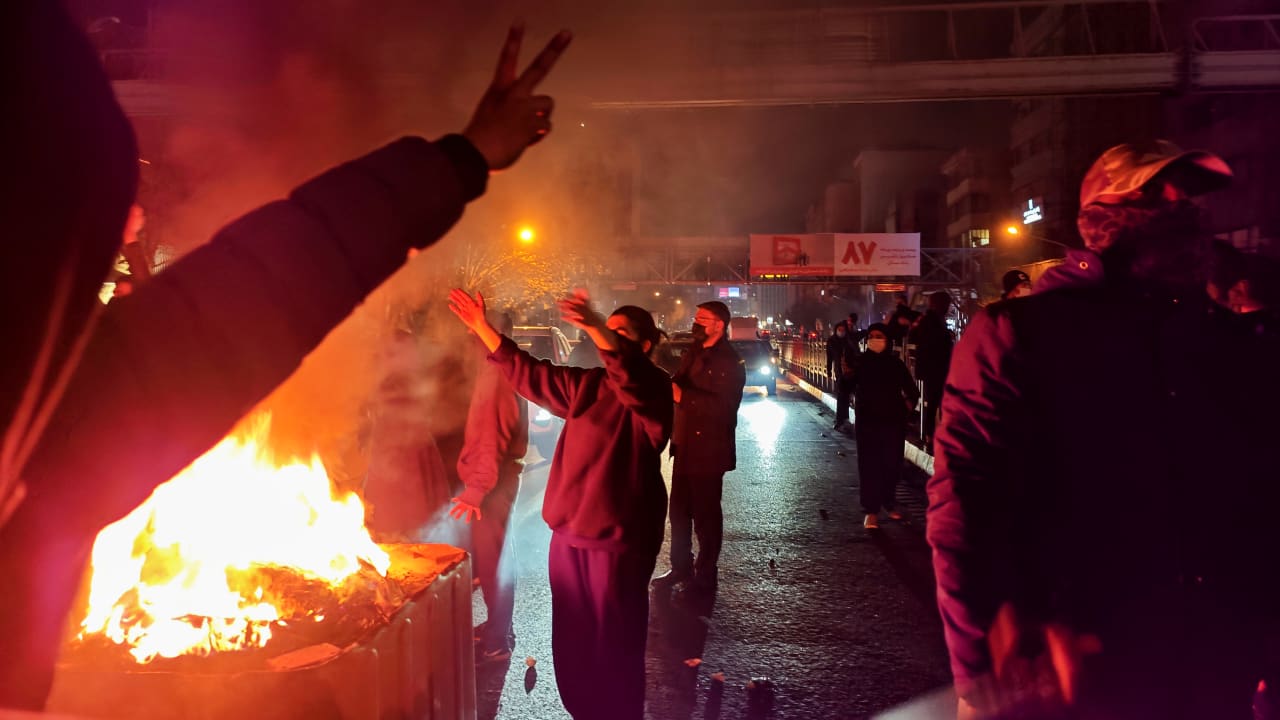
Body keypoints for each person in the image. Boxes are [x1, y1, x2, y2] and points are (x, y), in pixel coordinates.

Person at [0, 4, 570, 708]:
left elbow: (261, 284)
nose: (132, 220)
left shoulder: (57, 407)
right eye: (100, 211)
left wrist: (458, 161)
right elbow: (268, 281)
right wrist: (460, 160)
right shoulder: (62, 413)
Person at [927, 140, 1280, 719]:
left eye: (1189, 196)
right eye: (1157, 192)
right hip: (1072, 669)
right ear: (1105, 212)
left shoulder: (1228, 342)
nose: (1182, 206)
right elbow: (965, 504)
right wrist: (980, 665)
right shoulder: (1021, 334)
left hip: (1214, 664)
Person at [446, 288, 671, 720]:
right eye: (607, 331)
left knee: (615, 642)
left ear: (644, 346)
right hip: (568, 537)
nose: (607, 340)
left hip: (618, 542)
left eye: (619, 334)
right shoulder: (587, 386)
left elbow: (630, 377)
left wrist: (594, 324)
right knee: (572, 642)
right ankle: (582, 711)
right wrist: (481, 327)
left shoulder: (654, 387)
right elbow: (529, 373)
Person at [652, 301, 745, 603]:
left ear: (719, 325)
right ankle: (680, 568)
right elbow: (677, 383)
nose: (696, 322)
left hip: (709, 449)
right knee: (679, 513)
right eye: (696, 317)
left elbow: (725, 408)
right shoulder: (694, 352)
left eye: (703, 318)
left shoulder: (729, 361)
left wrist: (683, 395)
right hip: (685, 444)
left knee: (706, 516)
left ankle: (705, 573)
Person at [451, 313, 528, 662]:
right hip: (497, 479)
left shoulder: (495, 372)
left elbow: (491, 434)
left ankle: (497, 641)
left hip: (492, 483)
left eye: (471, 329)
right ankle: (499, 629)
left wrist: (477, 489)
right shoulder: (496, 366)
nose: (466, 336)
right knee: (494, 558)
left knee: (494, 561)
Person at [848, 324, 918, 530]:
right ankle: (871, 512)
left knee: (891, 464)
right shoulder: (861, 363)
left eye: (879, 336)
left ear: (887, 340)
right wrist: (846, 375)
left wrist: (906, 407)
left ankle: (889, 501)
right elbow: (845, 387)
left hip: (892, 422)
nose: (875, 340)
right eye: (871, 336)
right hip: (867, 422)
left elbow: (911, 390)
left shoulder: (895, 364)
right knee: (869, 466)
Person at [909, 291, 953, 447]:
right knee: (936, 402)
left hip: (934, 368)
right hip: (935, 368)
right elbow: (934, 343)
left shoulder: (931, 319)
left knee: (935, 402)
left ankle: (932, 434)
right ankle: (931, 435)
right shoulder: (931, 320)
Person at [826, 321, 853, 429]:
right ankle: (840, 420)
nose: (841, 332)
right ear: (836, 330)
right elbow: (829, 357)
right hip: (839, 372)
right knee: (841, 395)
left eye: (843, 330)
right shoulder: (832, 341)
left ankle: (844, 419)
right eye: (839, 330)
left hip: (851, 371)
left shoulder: (849, 341)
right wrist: (828, 371)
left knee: (847, 396)